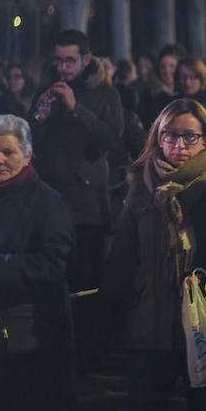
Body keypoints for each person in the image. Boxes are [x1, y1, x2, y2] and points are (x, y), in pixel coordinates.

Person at [101, 99, 206, 411]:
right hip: (150, 323)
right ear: (157, 137)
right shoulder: (142, 186)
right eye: (169, 135)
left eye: (189, 137)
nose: (178, 146)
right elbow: (124, 257)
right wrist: (111, 318)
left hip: (204, 323)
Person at [31, 29, 124, 371]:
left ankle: (88, 357)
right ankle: (55, 355)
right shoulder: (45, 92)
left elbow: (112, 143)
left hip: (87, 208)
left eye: (70, 60)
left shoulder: (104, 95)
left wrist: (76, 109)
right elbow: (32, 147)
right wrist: (38, 120)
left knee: (86, 284)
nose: (63, 68)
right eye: (58, 60)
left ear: (85, 60)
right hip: (48, 205)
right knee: (53, 284)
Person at [0, 114, 78, 411]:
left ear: (28, 155)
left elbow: (55, 264)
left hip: (30, 336)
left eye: (8, 152)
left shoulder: (47, 202)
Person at [139, 43, 187, 127]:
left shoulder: (186, 93)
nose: (167, 71)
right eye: (163, 67)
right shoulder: (150, 95)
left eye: (172, 66)